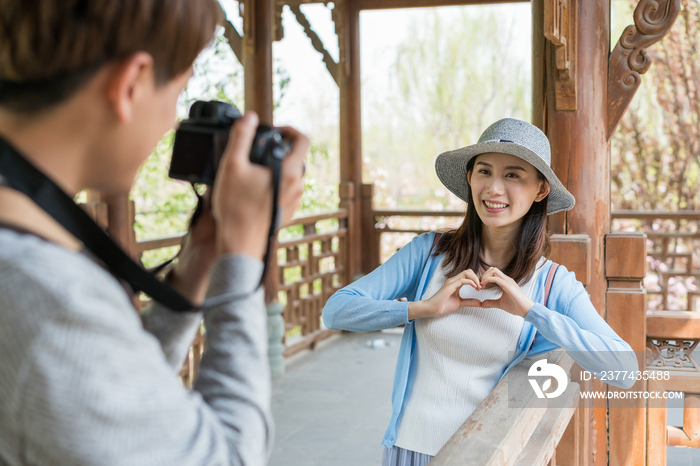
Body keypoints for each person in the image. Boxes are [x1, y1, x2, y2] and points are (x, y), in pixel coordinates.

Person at [0, 1, 308, 465]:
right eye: (176, 94)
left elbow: (111, 406)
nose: (171, 121)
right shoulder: (45, 294)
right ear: (132, 83)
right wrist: (243, 257)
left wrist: (196, 266)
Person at [322, 118, 638, 465]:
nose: (494, 189)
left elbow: (624, 371)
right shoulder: (429, 254)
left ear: (540, 190)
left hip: (489, 455)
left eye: (513, 175)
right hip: (411, 449)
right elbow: (337, 310)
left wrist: (531, 311)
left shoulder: (552, 283)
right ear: (469, 178)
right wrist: (421, 309)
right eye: (484, 171)